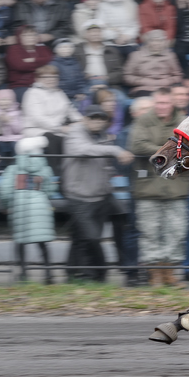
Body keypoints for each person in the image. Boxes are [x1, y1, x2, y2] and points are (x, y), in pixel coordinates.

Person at [62, 109, 134, 282]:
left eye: (101, 119)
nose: (98, 121)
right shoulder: (75, 134)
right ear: (85, 119)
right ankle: (99, 274)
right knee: (92, 237)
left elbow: (104, 165)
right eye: (93, 118)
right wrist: (115, 150)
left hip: (101, 195)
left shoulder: (102, 136)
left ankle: (73, 274)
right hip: (79, 196)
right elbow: (82, 150)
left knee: (81, 237)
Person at [0, 136, 58, 283]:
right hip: (40, 207)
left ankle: (24, 273)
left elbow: (4, 190)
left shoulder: (13, 169)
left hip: (20, 207)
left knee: (21, 241)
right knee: (42, 241)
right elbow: (50, 190)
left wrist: (6, 204)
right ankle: (48, 272)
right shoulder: (45, 169)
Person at [123, 30, 182, 97]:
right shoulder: (136, 55)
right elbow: (127, 76)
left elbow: (178, 75)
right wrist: (141, 81)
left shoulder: (170, 56)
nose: (156, 43)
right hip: (143, 88)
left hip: (165, 88)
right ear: (147, 42)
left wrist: (168, 81)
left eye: (160, 41)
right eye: (153, 40)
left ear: (165, 42)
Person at [6, 27, 54, 92]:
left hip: (44, 84)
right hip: (21, 85)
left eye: (33, 35)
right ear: (19, 37)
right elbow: (21, 66)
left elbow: (50, 60)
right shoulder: (13, 49)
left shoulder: (43, 48)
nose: (30, 37)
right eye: (25, 35)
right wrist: (41, 65)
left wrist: (34, 60)